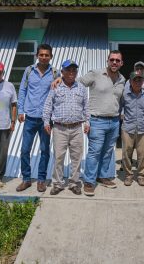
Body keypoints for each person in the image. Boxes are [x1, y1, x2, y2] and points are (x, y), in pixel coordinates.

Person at [80, 50, 125, 196]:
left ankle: (103, 176)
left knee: (107, 152)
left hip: (114, 121)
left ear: (121, 63)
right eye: (112, 59)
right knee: (95, 152)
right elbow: (77, 83)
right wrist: (60, 79)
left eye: (117, 60)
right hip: (97, 120)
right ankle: (89, 181)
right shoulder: (95, 74)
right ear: (108, 60)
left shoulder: (122, 79)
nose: (114, 62)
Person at [43, 60, 89, 196]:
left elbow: (86, 107)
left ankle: (74, 183)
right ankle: (57, 184)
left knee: (76, 157)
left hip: (76, 128)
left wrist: (88, 122)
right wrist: (46, 122)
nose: (71, 73)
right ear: (62, 72)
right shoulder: (55, 87)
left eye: (74, 70)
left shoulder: (81, 88)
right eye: (68, 70)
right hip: (59, 128)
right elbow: (47, 106)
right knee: (58, 157)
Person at [17, 43, 59, 192]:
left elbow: (60, 93)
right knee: (24, 150)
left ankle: (41, 180)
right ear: (37, 56)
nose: (44, 57)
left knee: (45, 150)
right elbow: (22, 90)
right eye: (41, 54)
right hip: (29, 118)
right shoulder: (29, 71)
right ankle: (26, 179)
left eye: (46, 55)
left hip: (46, 120)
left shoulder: (55, 73)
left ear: (51, 57)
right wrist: (20, 111)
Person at [120, 71, 144, 186]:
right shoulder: (125, 94)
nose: (138, 82)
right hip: (128, 127)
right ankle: (128, 175)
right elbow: (120, 107)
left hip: (143, 128)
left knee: (142, 154)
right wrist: (122, 115)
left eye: (140, 79)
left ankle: (141, 175)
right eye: (135, 80)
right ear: (130, 81)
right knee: (126, 153)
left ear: (143, 81)